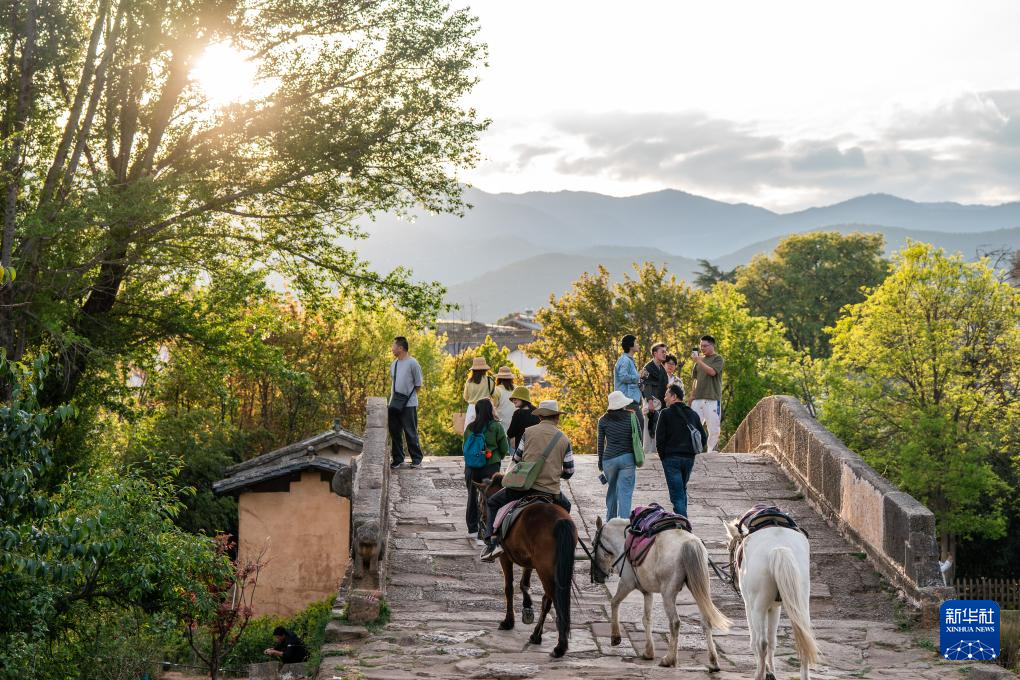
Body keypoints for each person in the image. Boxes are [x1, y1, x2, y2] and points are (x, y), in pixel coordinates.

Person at [480, 400, 574, 561]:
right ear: (556, 417)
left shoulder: (528, 432)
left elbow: (516, 458)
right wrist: (556, 474)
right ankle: (564, 542)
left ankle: (492, 542)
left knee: (493, 502)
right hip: (551, 491)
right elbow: (569, 471)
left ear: (540, 416)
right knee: (566, 506)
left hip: (524, 487)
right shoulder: (564, 439)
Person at [655, 383, 707, 517]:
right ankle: (683, 522)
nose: (664, 398)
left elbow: (659, 439)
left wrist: (663, 457)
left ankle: (684, 527)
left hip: (671, 459)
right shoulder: (693, 414)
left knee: (677, 495)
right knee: (682, 491)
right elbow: (703, 437)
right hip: (689, 459)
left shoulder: (665, 413)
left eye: (667, 395)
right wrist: (693, 452)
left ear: (674, 396)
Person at [464, 398, 508, 542]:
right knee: (489, 497)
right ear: (491, 410)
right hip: (490, 466)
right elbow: (504, 449)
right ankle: (487, 530)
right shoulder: (496, 427)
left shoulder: (470, 427)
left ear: (477, 411)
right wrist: (496, 457)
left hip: (472, 467)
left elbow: (465, 447)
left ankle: (472, 528)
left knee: (472, 496)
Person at [598, 391, 638, 520]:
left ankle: (610, 522)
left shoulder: (603, 420)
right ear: (623, 404)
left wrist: (600, 463)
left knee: (612, 492)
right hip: (627, 458)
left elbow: (600, 443)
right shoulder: (632, 416)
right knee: (625, 493)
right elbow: (638, 439)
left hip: (609, 460)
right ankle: (624, 525)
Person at [389, 336, 424, 470]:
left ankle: (416, 459)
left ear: (400, 348)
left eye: (394, 346)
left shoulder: (413, 363)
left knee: (410, 431)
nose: (392, 349)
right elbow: (394, 384)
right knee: (395, 432)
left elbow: (418, 384)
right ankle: (398, 459)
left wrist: (409, 399)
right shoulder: (394, 364)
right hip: (395, 403)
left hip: (409, 404)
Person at [689, 334, 724, 453]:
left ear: (712, 345)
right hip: (697, 399)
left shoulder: (718, 358)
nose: (702, 348)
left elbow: (712, 372)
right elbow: (695, 380)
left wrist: (699, 361)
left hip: (712, 399)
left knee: (713, 428)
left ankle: (711, 451)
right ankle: (694, 450)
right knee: (693, 426)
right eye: (701, 346)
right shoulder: (698, 361)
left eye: (705, 346)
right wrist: (691, 397)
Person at [639, 342, 669, 450]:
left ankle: (656, 455)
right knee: (648, 430)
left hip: (661, 405)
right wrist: (650, 401)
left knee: (658, 431)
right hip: (651, 405)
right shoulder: (648, 367)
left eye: (665, 352)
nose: (665, 354)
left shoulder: (662, 369)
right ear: (655, 353)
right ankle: (647, 457)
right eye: (663, 352)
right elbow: (644, 385)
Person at [614, 334, 644, 434]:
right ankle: (635, 450)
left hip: (631, 400)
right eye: (636, 342)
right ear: (631, 345)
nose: (638, 345)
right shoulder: (625, 360)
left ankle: (632, 449)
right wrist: (638, 376)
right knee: (639, 425)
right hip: (627, 400)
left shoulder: (629, 361)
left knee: (635, 428)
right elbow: (623, 377)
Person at [462, 356, 495, 428]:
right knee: (485, 433)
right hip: (485, 410)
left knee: (469, 433)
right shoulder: (490, 380)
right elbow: (492, 394)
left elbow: (465, 397)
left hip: (472, 408)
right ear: (485, 369)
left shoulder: (469, 381)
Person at [505, 385, 539, 450]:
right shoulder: (536, 411)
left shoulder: (518, 413)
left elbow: (510, 433)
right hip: (535, 447)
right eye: (513, 399)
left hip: (521, 449)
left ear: (523, 399)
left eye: (516, 398)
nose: (513, 400)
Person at [492, 366, 517, 432]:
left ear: (498, 378)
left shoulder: (496, 390)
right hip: (516, 424)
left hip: (502, 425)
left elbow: (494, 406)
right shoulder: (517, 388)